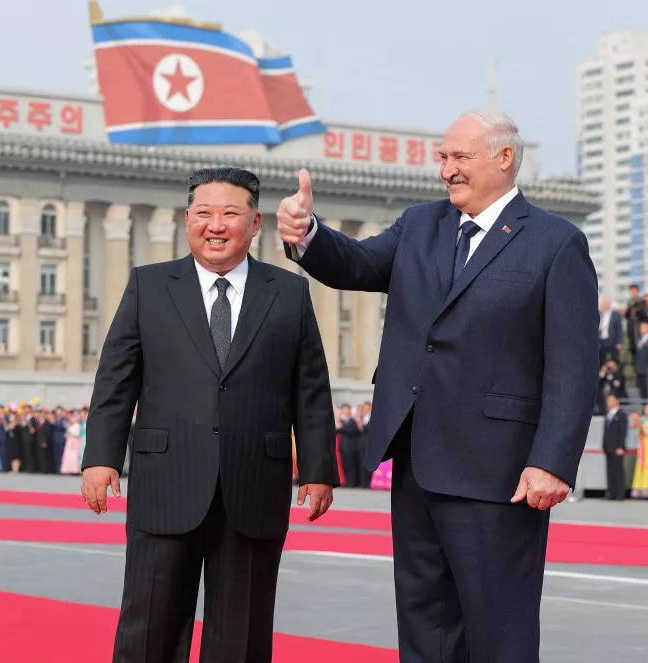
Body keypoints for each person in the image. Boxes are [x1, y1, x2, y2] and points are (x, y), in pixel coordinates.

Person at [278, 108, 598, 662]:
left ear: (504, 158)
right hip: (417, 460)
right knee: (426, 622)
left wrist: (551, 462)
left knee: (499, 628)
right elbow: (356, 263)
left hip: (499, 472)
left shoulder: (556, 242)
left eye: (460, 157)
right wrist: (308, 233)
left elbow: (574, 364)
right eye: (443, 157)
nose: (447, 169)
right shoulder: (419, 225)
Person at [81, 167, 338, 663]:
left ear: (256, 223)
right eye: (204, 213)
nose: (215, 225)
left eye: (230, 214)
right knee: (149, 626)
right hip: (166, 481)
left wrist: (318, 468)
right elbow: (116, 378)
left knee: (242, 636)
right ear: (187, 220)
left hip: (253, 484)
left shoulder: (288, 292)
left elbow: (309, 387)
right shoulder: (149, 285)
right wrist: (100, 458)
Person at [602, 393, 627, 500]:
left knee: (618, 471)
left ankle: (620, 494)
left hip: (617, 448)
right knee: (610, 471)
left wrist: (621, 447)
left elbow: (623, 432)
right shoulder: (608, 414)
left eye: (611, 400)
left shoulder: (621, 414)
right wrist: (604, 445)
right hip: (609, 448)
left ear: (617, 401)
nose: (609, 402)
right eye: (608, 400)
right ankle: (611, 493)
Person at [629, 404, 648, 498]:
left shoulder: (643, 422)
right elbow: (633, 428)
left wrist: (641, 426)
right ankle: (638, 488)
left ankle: (645, 488)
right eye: (646, 409)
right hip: (642, 446)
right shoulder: (643, 420)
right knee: (640, 465)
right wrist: (636, 421)